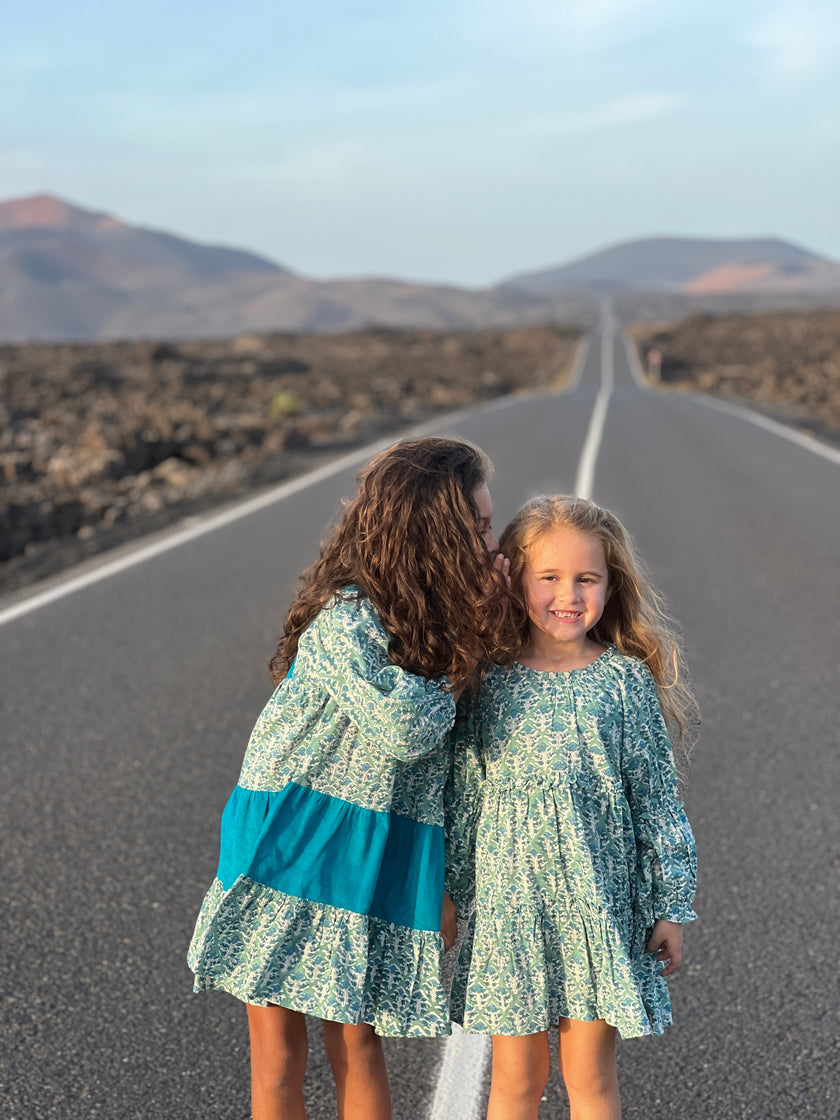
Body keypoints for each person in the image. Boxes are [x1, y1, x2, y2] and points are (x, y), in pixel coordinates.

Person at [188, 436, 519, 1120]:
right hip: (294, 832)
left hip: (379, 845)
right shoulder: (345, 620)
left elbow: (466, 770)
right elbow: (404, 732)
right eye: (479, 527)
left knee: (356, 1039)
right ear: (435, 536)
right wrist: (473, 644)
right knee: (277, 1047)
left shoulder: (453, 629)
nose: (493, 544)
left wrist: (454, 885)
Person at [445, 494, 698, 1120]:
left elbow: (657, 800)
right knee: (514, 1081)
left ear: (611, 587)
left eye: (587, 578)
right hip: (512, 915)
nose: (569, 593)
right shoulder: (488, 680)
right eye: (549, 577)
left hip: (598, 907)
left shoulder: (624, 681)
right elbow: (462, 799)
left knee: (589, 1078)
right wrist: (449, 892)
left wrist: (670, 904)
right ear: (517, 582)